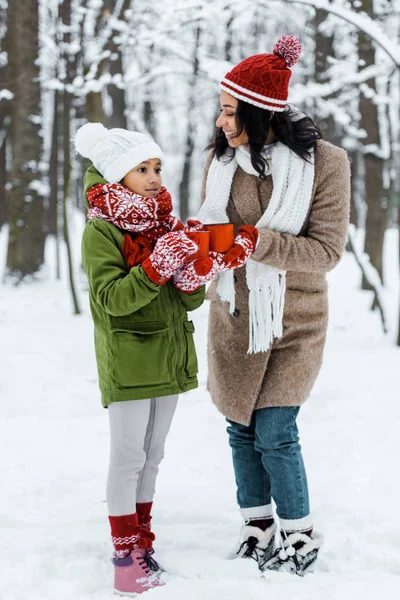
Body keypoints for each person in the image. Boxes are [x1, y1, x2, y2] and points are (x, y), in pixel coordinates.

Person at [197, 35, 351, 576]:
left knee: (275, 429)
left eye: (229, 110)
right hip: (235, 317)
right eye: (220, 109)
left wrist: (252, 241)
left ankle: (300, 533)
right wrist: (194, 248)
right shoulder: (222, 163)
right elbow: (211, 235)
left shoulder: (326, 165)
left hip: (294, 319)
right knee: (240, 425)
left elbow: (327, 251)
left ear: (260, 113)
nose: (220, 122)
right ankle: (258, 526)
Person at [75, 123, 216, 596]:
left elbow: (186, 303)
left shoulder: (165, 226)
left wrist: (192, 278)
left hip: (170, 355)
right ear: (118, 175)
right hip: (131, 359)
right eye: (142, 169)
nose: (155, 176)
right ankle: (123, 557)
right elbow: (111, 298)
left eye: (157, 167)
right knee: (128, 456)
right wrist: (157, 266)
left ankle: (142, 542)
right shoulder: (101, 231)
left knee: (153, 456)